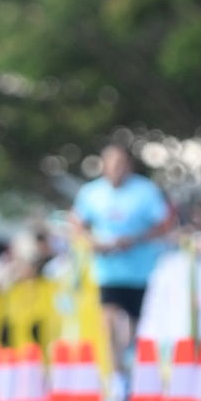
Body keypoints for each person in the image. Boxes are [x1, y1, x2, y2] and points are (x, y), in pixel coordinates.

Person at [70, 142, 172, 388]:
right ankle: (116, 379)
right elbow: (76, 223)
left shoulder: (145, 191)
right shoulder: (91, 193)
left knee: (133, 329)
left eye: (122, 163)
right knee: (108, 322)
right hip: (108, 271)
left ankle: (129, 368)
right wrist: (92, 242)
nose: (117, 168)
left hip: (139, 271)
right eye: (113, 163)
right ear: (104, 165)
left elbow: (165, 222)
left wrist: (137, 239)